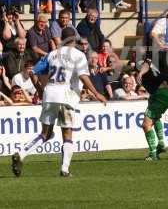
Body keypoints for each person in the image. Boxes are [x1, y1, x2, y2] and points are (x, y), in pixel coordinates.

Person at [11, 28, 107, 177]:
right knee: (67, 134)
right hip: (66, 96)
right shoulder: (78, 55)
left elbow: (32, 72)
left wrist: (40, 90)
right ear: (74, 40)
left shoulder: (52, 54)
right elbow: (83, 76)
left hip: (50, 94)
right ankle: (65, 169)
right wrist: (97, 93)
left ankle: (22, 153)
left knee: (46, 134)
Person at [136, 59, 168, 160]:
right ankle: (161, 143)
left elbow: (146, 65)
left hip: (160, 94)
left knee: (146, 125)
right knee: (155, 119)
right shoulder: (154, 70)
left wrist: (140, 72)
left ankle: (153, 153)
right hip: (165, 94)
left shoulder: (145, 66)